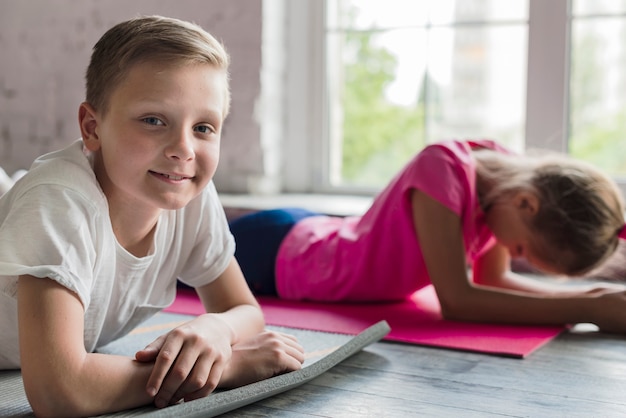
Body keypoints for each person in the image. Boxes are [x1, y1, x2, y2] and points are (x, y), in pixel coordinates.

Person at [0, 15, 305, 417]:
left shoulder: (188, 192)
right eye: (153, 120)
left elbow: (244, 311)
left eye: (203, 127)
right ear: (92, 127)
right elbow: (60, 391)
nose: (183, 149)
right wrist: (227, 366)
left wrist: (214, 328)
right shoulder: (59, 203)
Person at [230, 139, 626, 332]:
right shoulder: (444, 170)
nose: (510, 251)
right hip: (279, 254)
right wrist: (586, 311)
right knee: (173, 262)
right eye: (521, 247)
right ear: (528, 203)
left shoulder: (503, 192)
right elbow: (457, 300)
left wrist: (590, 296)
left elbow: (494, 280)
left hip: (308, 234)